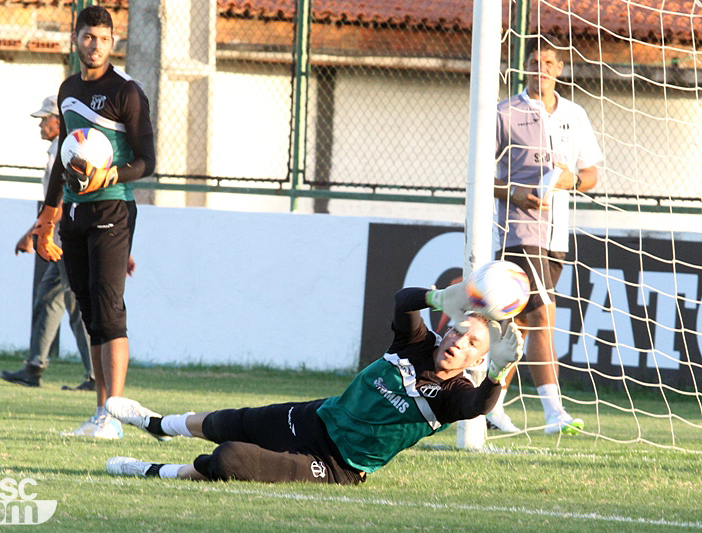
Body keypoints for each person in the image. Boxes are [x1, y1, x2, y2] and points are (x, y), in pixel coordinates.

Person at [103, 283, 523, 484]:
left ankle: (152, 470)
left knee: (229, 458)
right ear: (446, 329)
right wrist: (440, 297)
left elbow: (478, 407)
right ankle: (157, 424)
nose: (459, 343)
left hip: (338, 464)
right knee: (229, 422)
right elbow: (401, 301)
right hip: (316, 417)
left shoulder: (454, 395)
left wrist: (498, 374)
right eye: (458, 332)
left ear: (478, 359)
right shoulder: (415, 342)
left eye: (473, 344)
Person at [31, 5, 156, 438]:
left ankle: (115, 417)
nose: (95, 45)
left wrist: (110, 175)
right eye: (88, 37)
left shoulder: (127, 91)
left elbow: (148, 161)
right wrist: (47, 219)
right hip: (74, 213)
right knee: (90, 315)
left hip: (112, 209)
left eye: (103, 38)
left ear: (112, 42)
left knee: (110, 312)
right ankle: (101, 412)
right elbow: (62, 163)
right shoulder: (67, 89)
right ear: (76, 39)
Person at [490, 34, 603, 434]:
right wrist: (514, 193)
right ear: (525, 68)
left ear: (560, 69)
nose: (542, 69)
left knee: (519, 325)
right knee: (542, 316)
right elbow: (479, 175)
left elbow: (591, 174)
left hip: (556, 237)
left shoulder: (575, 114)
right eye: (535, 62)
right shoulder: (505, 113)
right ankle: (554, 412)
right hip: (518, 233)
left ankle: (489, 405)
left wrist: (571, 181)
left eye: (549, 63)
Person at [0, 96, 96, 391]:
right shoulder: (59, 148)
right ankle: (34, 366)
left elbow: (62, 200)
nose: (41, 125)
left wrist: (33, 233)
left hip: (66, 236)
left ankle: (96, 376)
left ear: (60, 120)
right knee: (49, 298)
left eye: (45, 119)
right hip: (61, 235)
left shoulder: (64, 150)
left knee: (75, 304)